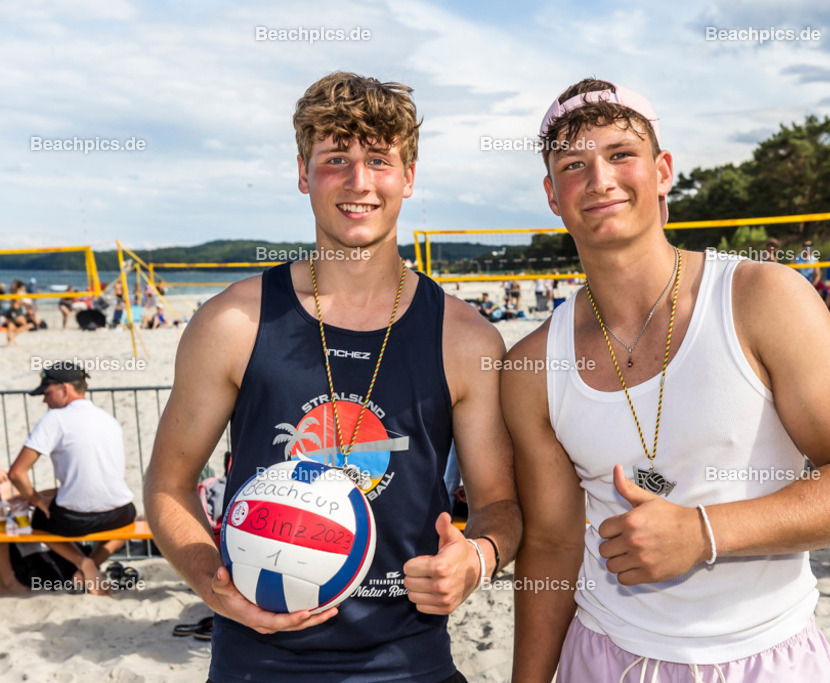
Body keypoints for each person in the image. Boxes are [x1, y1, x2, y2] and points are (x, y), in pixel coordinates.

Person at [505, 79, 830, 682]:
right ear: (552, 196)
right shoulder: (533, 364)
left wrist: (703, 533)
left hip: (764, 654)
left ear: (662, 171)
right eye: (573, 164)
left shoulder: (762, 298)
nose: (600, 179)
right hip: (606, 653)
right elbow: (553, 550)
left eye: (620, 154)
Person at [144, 71, 520, 683]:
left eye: (378, 159)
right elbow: (168, 483)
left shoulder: (466, 338)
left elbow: (499, 504)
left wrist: (476, 560)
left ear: (409, 177)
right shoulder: (232, 322)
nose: (359, 182)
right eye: (335, 159)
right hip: (256, 663)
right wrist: (213, 584)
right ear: (302, 173)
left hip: (409, 663)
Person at [7, 363, 137, 596]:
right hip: (119, 513)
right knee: (132, 519)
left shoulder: (55, 419)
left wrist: (36, 499)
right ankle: (93, 562)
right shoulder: (108, 419)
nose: (44, 401)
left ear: (65, 389)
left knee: (38, 520)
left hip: (74, 520)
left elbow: (16, 473)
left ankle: (83, 563)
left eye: (47, 393)